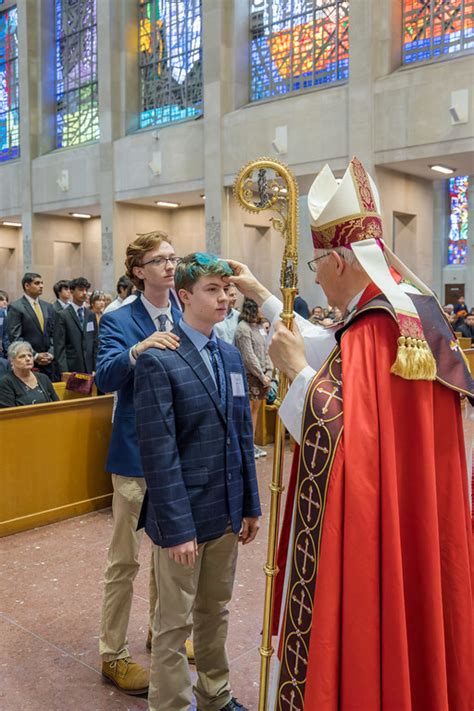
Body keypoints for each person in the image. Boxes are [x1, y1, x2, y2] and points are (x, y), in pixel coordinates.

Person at [228, 157, 473, 710]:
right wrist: (267, 297)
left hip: (373, 522)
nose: (314, 276)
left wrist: (293, 373)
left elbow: (349, 439)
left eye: (317, 264)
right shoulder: (409, 312)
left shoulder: (379, 322)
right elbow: (343, 363)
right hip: (415, 512)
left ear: (339, 260)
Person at [134, 252, 261, 711]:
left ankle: (215, 694)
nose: (225, 297)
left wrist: (250, 504)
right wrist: (177, 527)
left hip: (226, 509)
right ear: (184, 296)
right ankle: (170, 703)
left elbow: (241, 434)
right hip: (183, 517)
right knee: (172, 622)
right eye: (213, 289)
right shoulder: (160, 359)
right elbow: (159, 453)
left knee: (216, 611)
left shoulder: (227, 354)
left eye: (227, 289)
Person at [95, 231, 183, 696]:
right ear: (138, 270)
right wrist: (140, 348)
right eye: (160, 260)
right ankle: (113, 653)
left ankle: (159, 631)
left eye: (173, 258)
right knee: (124, 561)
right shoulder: (120, 319)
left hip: (176, 457)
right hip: (134, 456)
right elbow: (105, 375)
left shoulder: (186, 312)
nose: (170, 266)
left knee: (170, 556)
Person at [234, 297, 273, 459]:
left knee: (255, 410)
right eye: (260, 307)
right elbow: (248, 356)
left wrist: (269, 372)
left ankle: (251, 443)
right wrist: (261, 375)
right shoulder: (243, 328)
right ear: (252, 308)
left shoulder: (258, 327)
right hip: (250, 375)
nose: (263, 310)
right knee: (247, 411)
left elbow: (266, 350)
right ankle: (246, 444)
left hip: (262, 375)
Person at [6, 273, 56, 379]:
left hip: (49, 362)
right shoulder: (16, 307)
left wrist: (50, 353)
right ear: (27, 286)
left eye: (42, 283)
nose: (41, 286)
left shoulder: (48, 306)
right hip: (28, 363)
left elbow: (53, 333)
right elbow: (15, 337)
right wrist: (35, 355)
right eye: (37, 283)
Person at [54, 277, 98, 375]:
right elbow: (59, 346)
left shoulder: (90, 315)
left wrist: (96, 366)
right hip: (71, 367)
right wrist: (64, 371)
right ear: (72, 291)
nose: (85, 293)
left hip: (89, 367)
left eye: (86, 290)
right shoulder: (63, 315)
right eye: (81, 290)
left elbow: (95, 342)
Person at [0, 341, 58, 408]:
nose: (28, 359)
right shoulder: (5, 382)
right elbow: (9, 414)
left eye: (30, 355)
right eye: (22, 356)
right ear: (12, 361)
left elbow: (57, 404)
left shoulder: (43, 378)